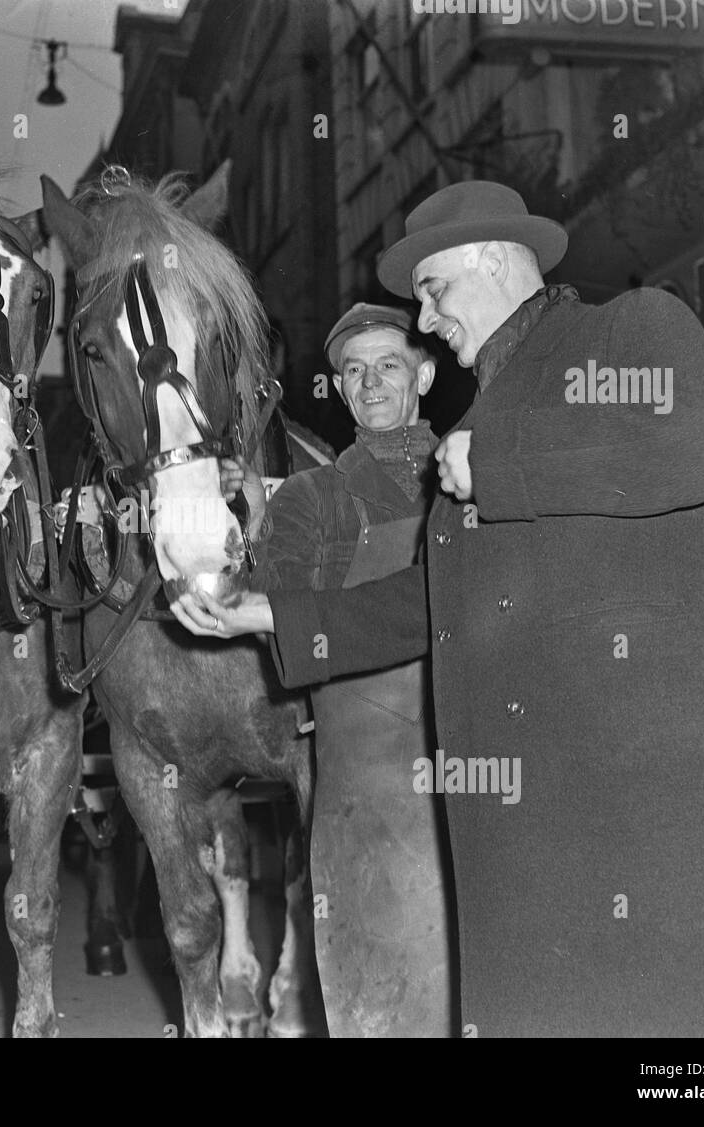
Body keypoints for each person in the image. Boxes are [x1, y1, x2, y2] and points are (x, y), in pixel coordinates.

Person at [181, 180, 704, 1037]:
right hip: (526, 846)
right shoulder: (474, 426)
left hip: (649, 818)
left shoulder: (627, 328)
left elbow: (696, 444)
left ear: (490, 258)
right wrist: (268, 616)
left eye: (434, 290)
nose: (427, 319)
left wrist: (503, 465)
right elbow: (430, 602)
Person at [253, 304, 450, 1037]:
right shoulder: (311, 498)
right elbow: (285, 609)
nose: (370, 382)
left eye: (389, 364)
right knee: (381, 980)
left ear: (425, 373)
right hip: (370, 780)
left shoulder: (469, 471)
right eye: (353, 371)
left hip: (480, 751)